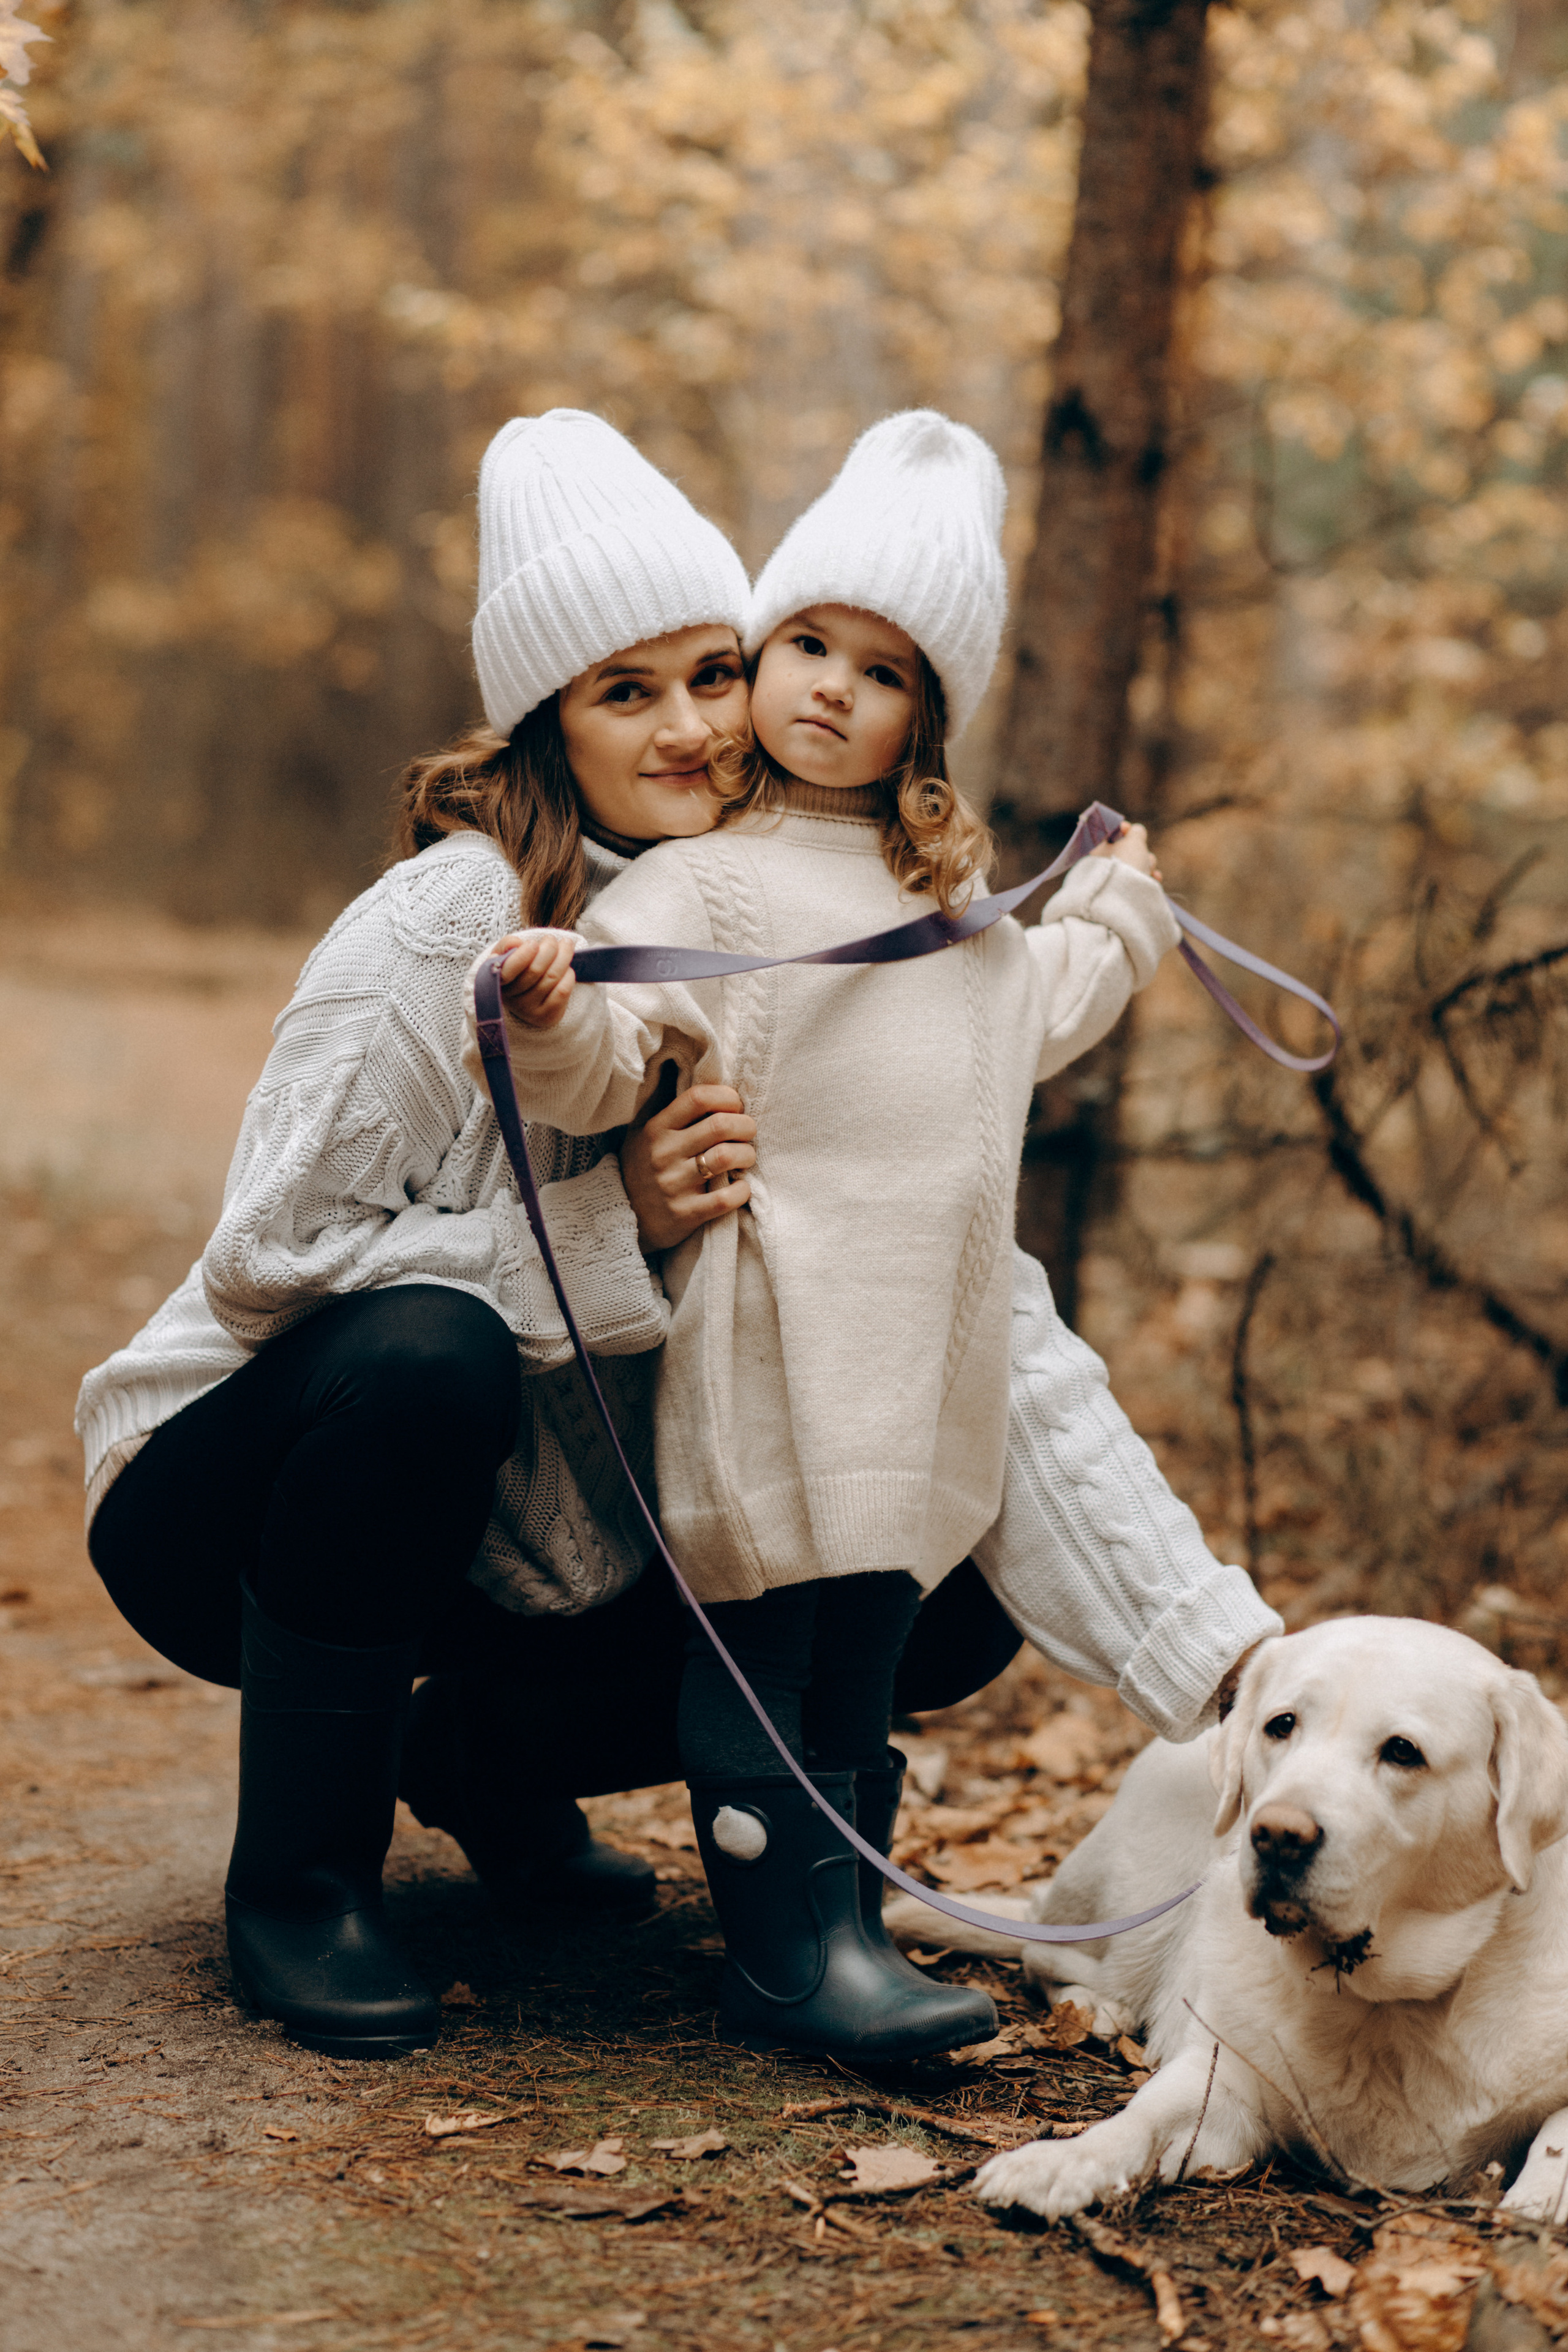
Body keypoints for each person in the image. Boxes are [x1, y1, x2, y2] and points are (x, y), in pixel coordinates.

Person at [76, 407, 1279, 2068]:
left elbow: (946, 1277)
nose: (696, 726)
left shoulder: (786, 926)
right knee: (431, 1346)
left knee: (925, 1571)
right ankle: (301, 1880)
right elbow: (269, 1263)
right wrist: (609, 1219)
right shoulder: (445, 922)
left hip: (536, 1529)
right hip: (240, 1492)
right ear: (547, 717)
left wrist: (1226, 1664)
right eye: (625, 693)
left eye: (716, 672)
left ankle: (491, 1760)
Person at [475, 410, 1275, 2064]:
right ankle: (780, 1956)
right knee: (769, 1643)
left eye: (884, 669)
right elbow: (620, 1054)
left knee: (862, 1658)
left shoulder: (952, 921)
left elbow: (1032, 1013)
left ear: (930, 718)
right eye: (806, 644)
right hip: (779, 1348)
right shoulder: (711, 883)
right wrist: (550, 1009)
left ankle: (839, 1917)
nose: (833, 686)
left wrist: (1120, 911)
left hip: (925, 1370)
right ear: (760, 659)